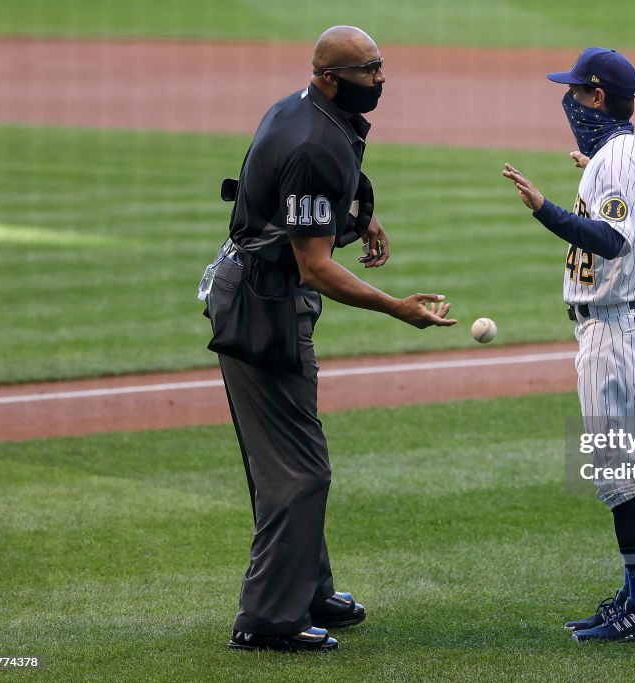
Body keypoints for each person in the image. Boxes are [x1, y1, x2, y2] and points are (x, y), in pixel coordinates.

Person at [202, 25, 456, 653]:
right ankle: (268, 619)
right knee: (299, 470)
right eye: (368, 71)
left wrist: (361, 214)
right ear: (328, 77)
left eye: (380, 67)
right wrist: (397, 307)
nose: (380, 80)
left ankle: (307, 591)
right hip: (263, 305)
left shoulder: (304, 110)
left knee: (292, 459)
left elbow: (294, 202)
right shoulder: (316, 141)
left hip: (259, 290)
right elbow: (312, 263)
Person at [502, 47, 635, 643]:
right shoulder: (631, 152)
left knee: (621, 476)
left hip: (616, 334)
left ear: (598, 97)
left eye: (577, 91)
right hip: (633, 328)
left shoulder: (618, 159)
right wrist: (592, 170)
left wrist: (543, 208)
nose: (569, 101)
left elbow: (610, 239)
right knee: (630, 469)